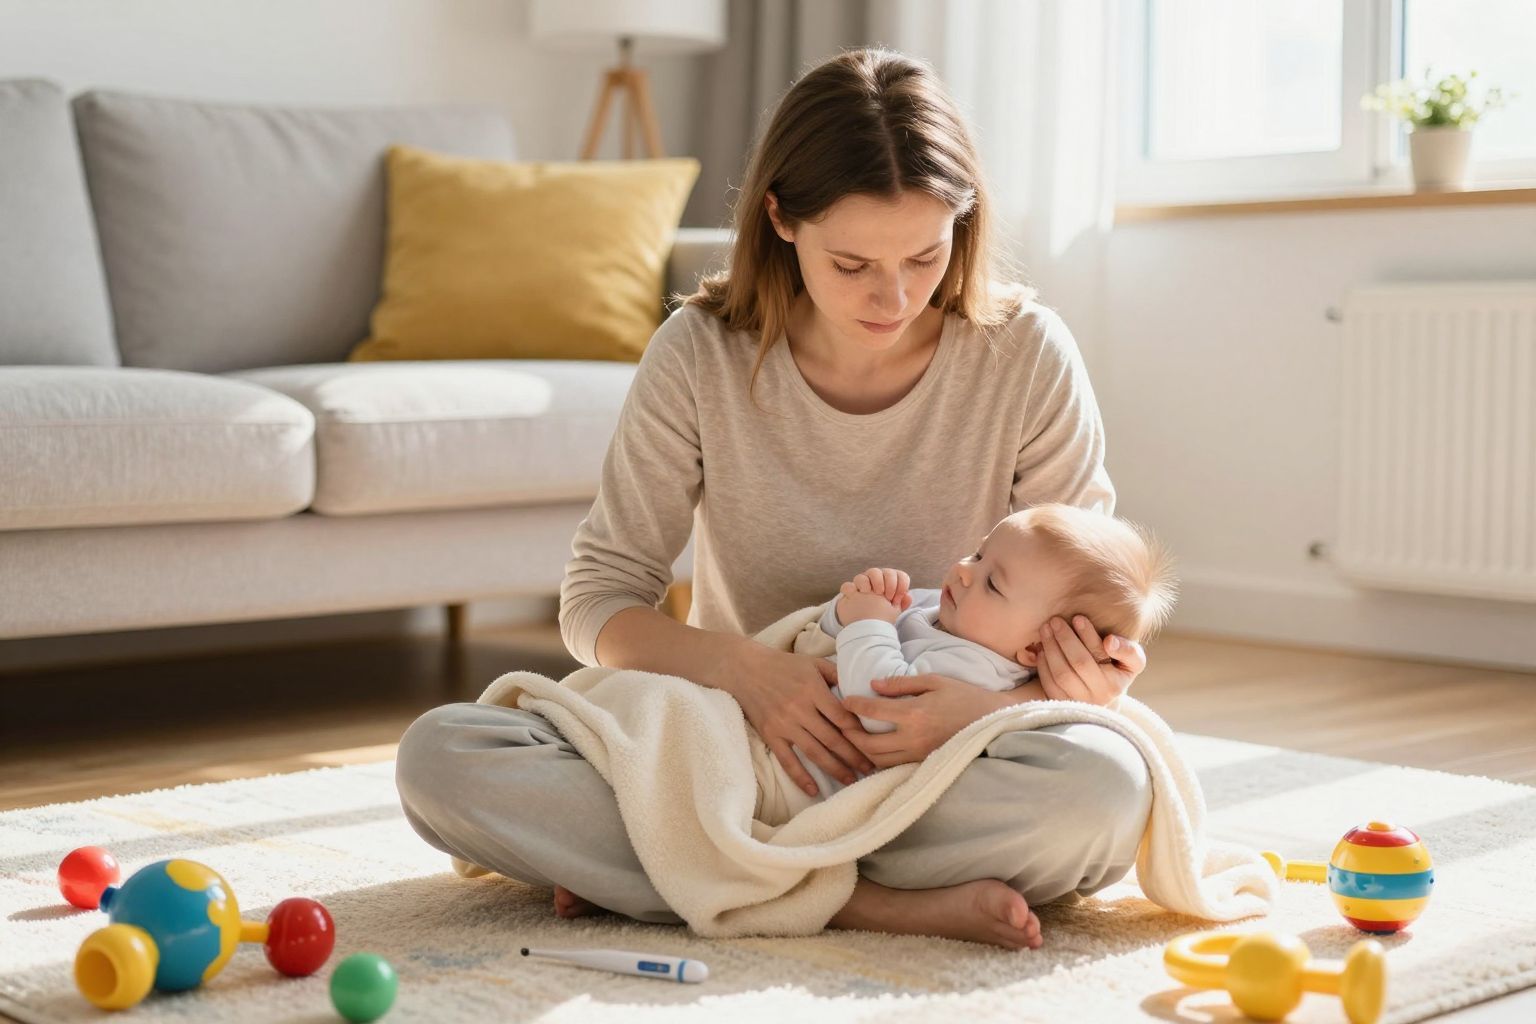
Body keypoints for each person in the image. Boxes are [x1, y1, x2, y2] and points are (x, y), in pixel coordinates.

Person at [396, 47, 1154, 953]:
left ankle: (701, 875)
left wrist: (1010, 707)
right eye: (852, 263)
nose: (894, 295)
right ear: (780, 221)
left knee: (1106, 792)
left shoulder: (1027, 352)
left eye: (924, 254)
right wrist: (746, 672)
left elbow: (1086, 598)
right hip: (734, 749)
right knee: (442, 760)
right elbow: (596, 599)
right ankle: (864, 901)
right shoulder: (700, 353)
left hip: (943, 759)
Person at [755, 503, 1177, 824]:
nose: (961, 570)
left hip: (804, 783)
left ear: (1034, 651)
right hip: (779, 727)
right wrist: (840, 614)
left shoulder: (979, 669)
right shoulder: (937, 610)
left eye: (992, 582)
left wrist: (865, 621)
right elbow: (815, 649)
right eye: (978, 554)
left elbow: (879, 708)